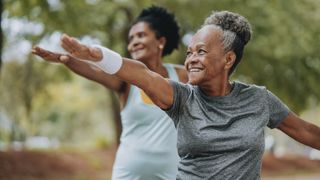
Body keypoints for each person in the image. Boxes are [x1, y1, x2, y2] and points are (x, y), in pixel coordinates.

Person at [53, 10, 320, 180]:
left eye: (201, 52)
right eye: (190, 52)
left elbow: (307, 133)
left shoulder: (259, 100)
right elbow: (143, 74)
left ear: (228, 59)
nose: (191, 59)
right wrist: (99, 56)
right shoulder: (181, 98)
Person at [32, 6, 187, 180]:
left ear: (161, 41)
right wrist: (67, 59)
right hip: (128, 173)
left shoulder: (181, 76)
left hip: (171, 173)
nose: (133, 42)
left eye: (141, 35)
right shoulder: (126, 82)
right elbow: (96, 71)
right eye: (131, 38)